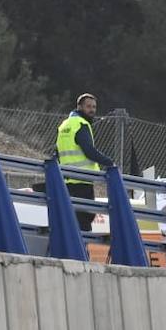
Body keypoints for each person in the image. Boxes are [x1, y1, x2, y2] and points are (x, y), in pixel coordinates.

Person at [54, 93, 114, 232]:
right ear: (79, 107)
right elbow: (89, 151)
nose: (92, 110)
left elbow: (57, 152)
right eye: (88, 106)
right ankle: (82, 252)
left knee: (71, 221)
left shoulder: (64, 125)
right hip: (83, 181)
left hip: (67, 181)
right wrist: (109, 162)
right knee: (85, 220)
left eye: (94, 107)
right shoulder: (81, 124)